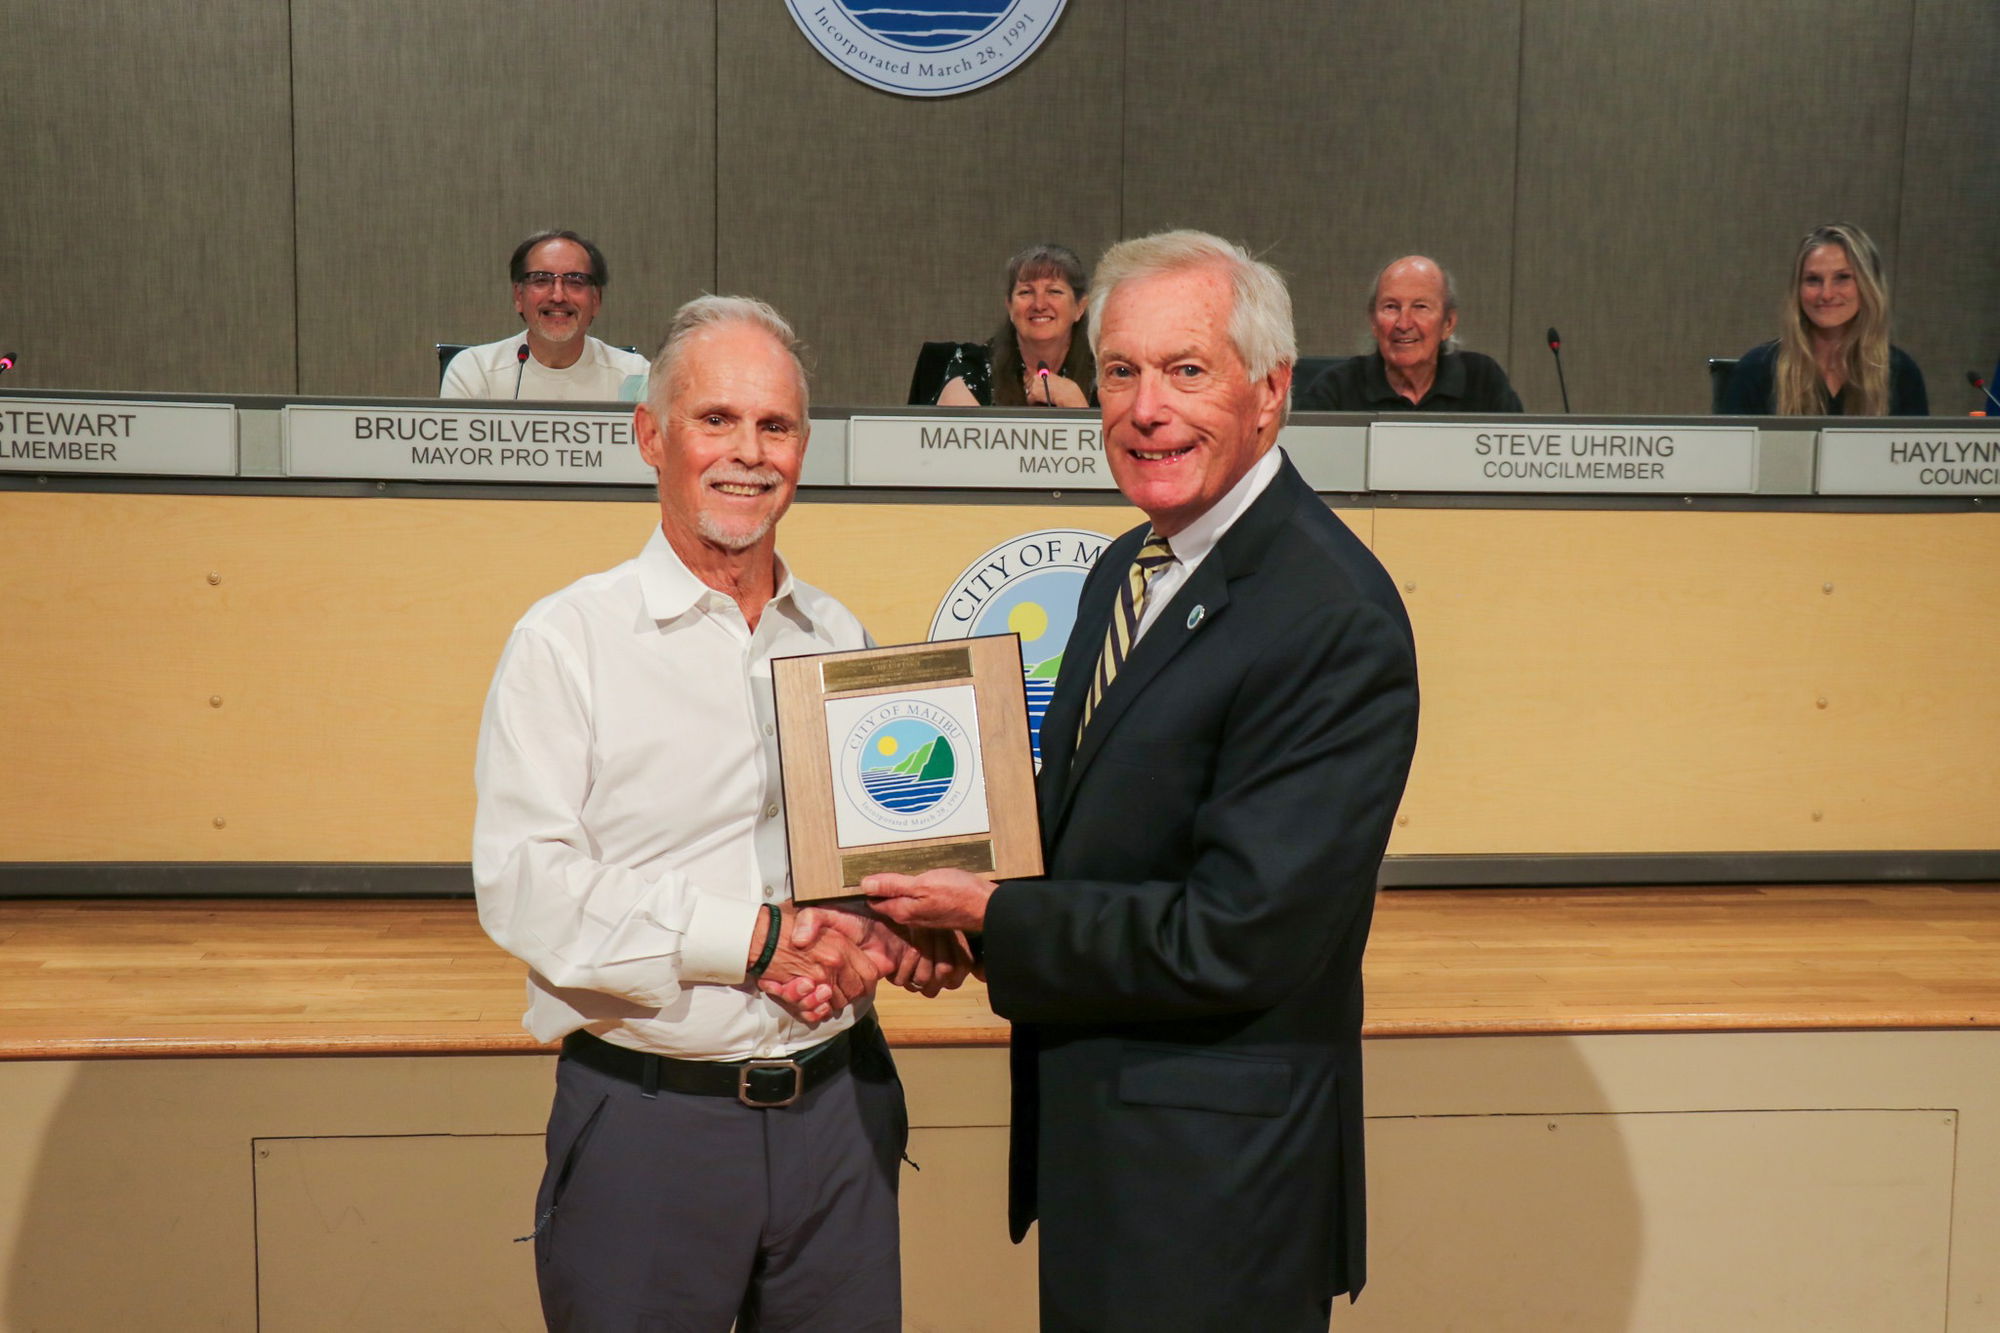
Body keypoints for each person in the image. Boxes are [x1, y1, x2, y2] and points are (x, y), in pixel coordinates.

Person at [865, 231, 1422, 1331]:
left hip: (1218, 1193)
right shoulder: (1128, 565)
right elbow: (1085, 839)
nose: (1145, 408)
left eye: (1186, 369)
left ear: (1269, 391)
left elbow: (1237, 933)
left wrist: (996, 918)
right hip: (1108, 1158)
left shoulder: (1330, 616)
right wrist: (944, 906)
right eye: (1119, 371)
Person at [473, 295, 965, 1331]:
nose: (748, 452)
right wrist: (753, 940)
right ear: (651, 436)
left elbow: (858, 860)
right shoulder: (567, 642)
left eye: (775, 425)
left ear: (802, 449)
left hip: (840, 1114)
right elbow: (526, 888)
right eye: (717, 419)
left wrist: (898, 930)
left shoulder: (837, 633)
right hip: (652, 1126)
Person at [1721, 222, 1928, 416]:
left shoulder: (1901, 373)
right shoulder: (1756, 370)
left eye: (1842, 278)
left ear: (1868, 285)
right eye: (1813, 280)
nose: (1826, 294)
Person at [441, 230, 651, 401]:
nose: (558, 296)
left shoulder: (634, 374)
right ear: (518, 296)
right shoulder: (475, 371)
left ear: (596, 300)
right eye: (541, 280)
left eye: (575, 281)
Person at [1296, 254, 1522, 412]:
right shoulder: (1337, 388)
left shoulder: (1483, 381)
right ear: (1373, 321)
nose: (1403, 324)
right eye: (1391, 307)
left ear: (1448, 323)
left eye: (1420, 307)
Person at [937, 243, 1096, 408]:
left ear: (1080, 307)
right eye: (1026, 292)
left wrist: (1075, 405)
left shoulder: (1105, 371)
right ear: (1010, 306)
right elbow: (959, 421)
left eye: (1054, 291)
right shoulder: (973, 365)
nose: (1039, 305)